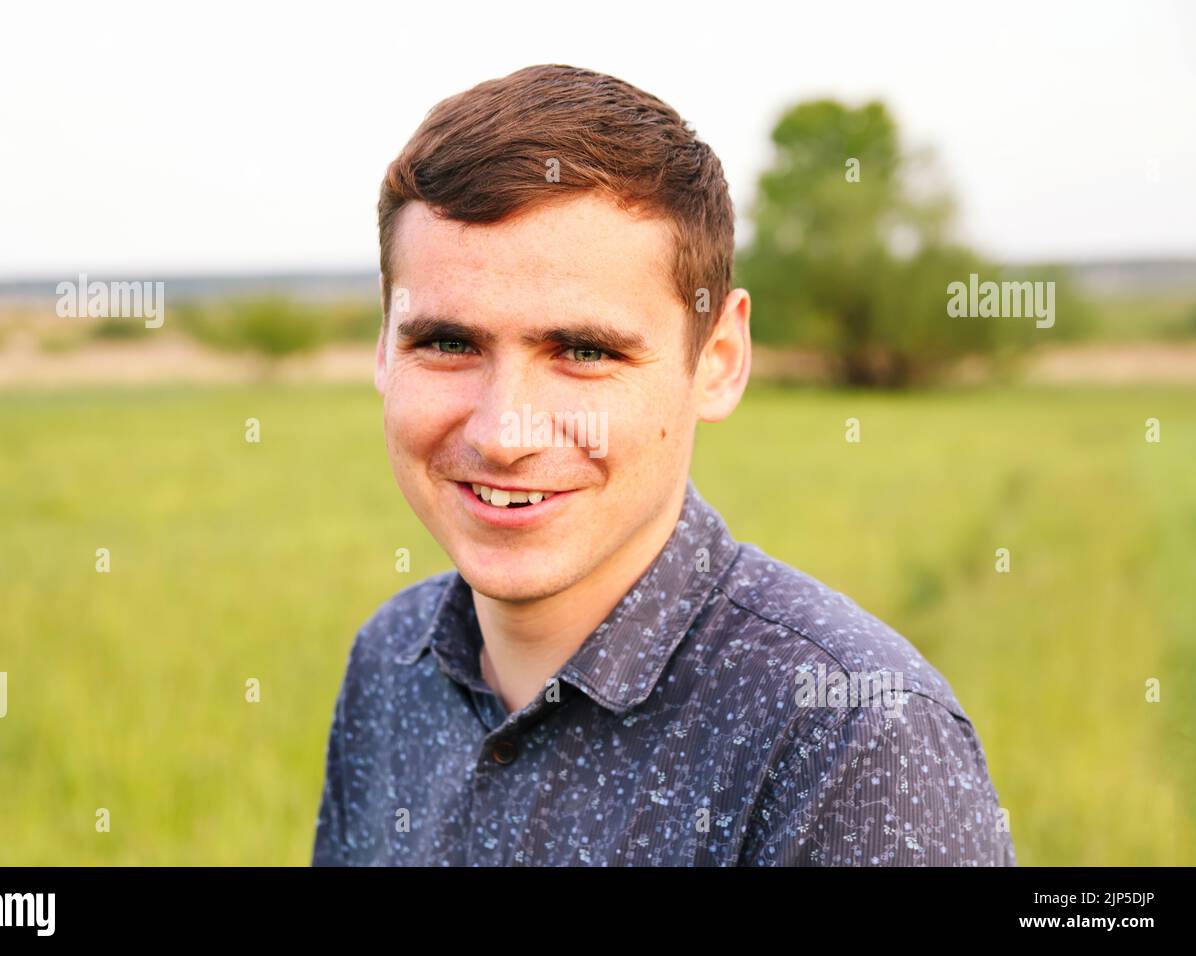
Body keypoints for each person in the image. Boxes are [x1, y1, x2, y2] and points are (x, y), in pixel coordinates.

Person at [311, 63, 1015, 866]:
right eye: (447, 343)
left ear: (718, 358)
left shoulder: (856, 737)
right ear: (382, 347)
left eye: (583, 350)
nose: (505, 432)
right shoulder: (389, 660)